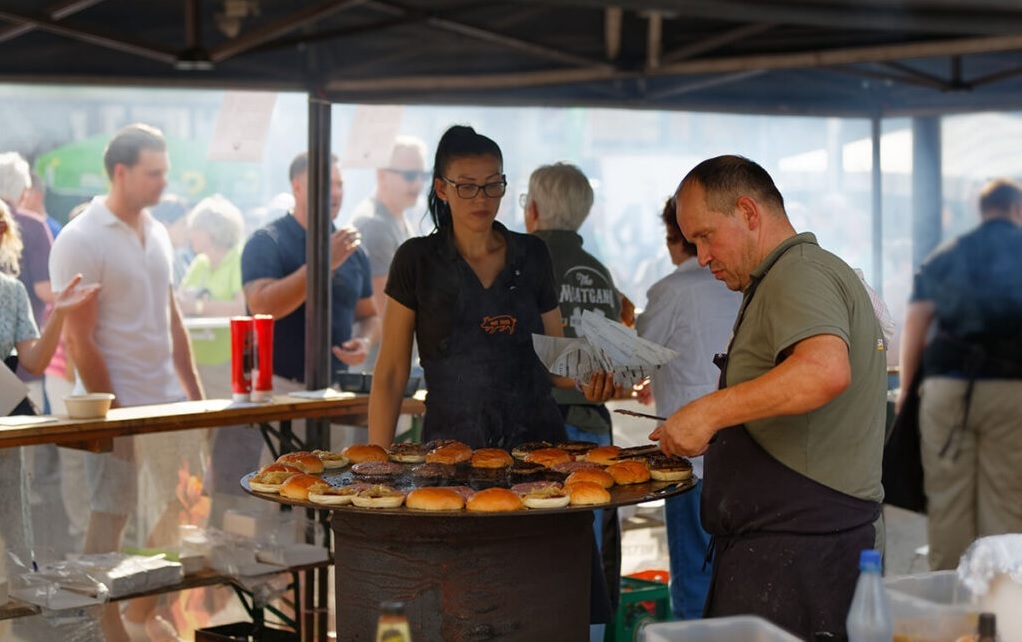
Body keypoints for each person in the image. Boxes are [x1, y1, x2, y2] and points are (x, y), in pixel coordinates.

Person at [650, 155, 887, 639]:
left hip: (802, 557)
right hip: (788, 550)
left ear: (749, 212)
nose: (702, 256)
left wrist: (709, 412)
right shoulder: (786, 275)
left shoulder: (799, 272)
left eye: (706, 236)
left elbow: (823, 370)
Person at [49, 123, 205, 642]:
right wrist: (116, 417)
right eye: (153, 173)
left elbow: (172, 318)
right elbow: (79, 341)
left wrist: (197, 399)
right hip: (115, 409)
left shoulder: (158, 231)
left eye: (164, 171)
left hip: (166, 404)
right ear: (121, 172)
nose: (164, 183)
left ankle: (141, 615)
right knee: (110, 514)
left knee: (176, 511)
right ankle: (104, 622)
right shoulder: (81, 237)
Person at [896, 177, 1022, 571]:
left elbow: (916, 320)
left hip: (945, 388)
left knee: (948, 505)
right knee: (1005, 503)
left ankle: (951, 615)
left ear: (980, 212)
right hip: (1011, 391)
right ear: (1017, 210)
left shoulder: (948, 254)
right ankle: (1001, 616)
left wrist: (906, 392)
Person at [522, 161, 625, 639]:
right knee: (590, 558)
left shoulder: (522, 261)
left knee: (538, 552)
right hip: (595, 426)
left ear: (534, 210)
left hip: (541, 430)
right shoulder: (600, 272)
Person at [635, 196, 741, 620]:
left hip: (690, 460)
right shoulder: (740, 284)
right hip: (739, 459)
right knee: (733, 578)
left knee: (695, 579)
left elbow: (634, 356)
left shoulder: (671, 290)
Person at [242, 152, 379, 391]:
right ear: (297, 188)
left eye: (340, 184)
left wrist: (365, 341)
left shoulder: (351, 249)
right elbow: (261, 307)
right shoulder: (267, 242)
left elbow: (369, 315)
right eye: (327, 184)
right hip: (277, 388)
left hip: (334, 390)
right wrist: (323, 265)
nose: (335, 193)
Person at [350, 135, 429, 329]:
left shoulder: (398, 217)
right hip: (382, 357)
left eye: (423, 175)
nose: (418, 184)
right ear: (382, 175)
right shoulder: (375, 225)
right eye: (410, 175)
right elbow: (386, 311)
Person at [0, 152, 55, 409]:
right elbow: (46, 290)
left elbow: (32, 360)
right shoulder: (34, 226)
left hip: (12, 381)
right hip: (18, 373)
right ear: (23, 191)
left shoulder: (11, 290)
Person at [151, 193, 193, 285]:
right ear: (165, 226)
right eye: (183, 224)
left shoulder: (177, 258)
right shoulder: (155, 261)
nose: (188, 231)